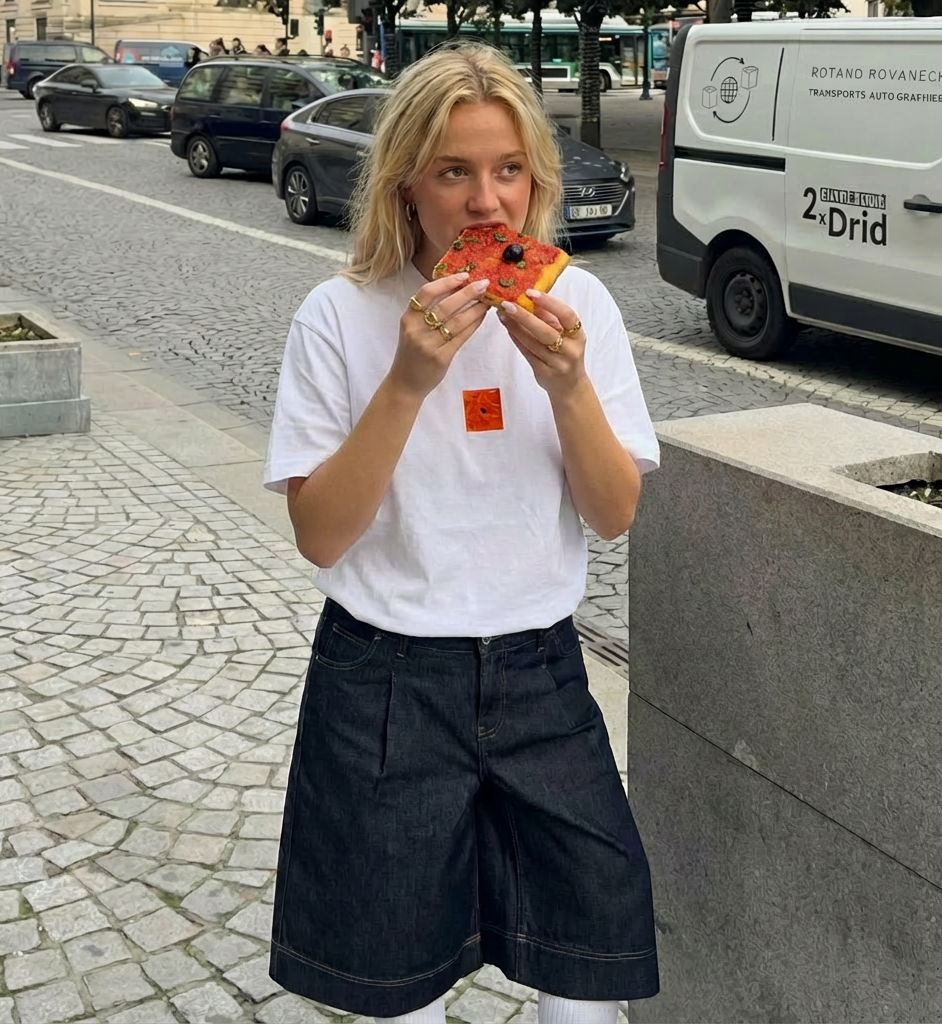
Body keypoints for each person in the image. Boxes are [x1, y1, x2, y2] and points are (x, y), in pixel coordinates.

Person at [264, 41, 660, 1024]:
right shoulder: (339, 315)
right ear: (406, 185)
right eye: (455, 171)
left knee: (588, 973)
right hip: (383, 676)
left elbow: (612, 514)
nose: (488, 203)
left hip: (538, 664)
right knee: (397, 988)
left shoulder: (583, 308)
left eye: (509, 170)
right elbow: (321, 534)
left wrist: (566, 384)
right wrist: (408, 382)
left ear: (535, 180)